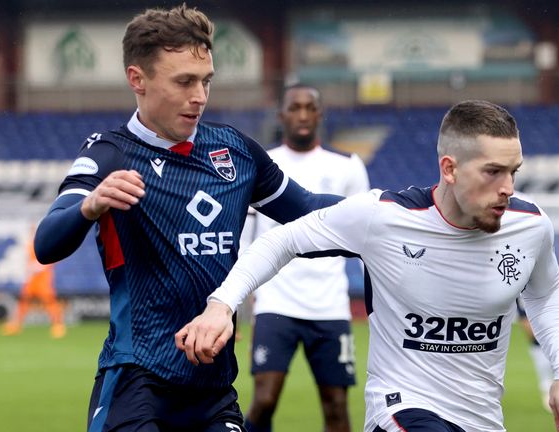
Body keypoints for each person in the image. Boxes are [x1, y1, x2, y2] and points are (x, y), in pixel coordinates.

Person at [177, 100, 559, 432]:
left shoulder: (531, 227)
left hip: (482, 417)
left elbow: (544, 294)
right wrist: (222, 304)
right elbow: (282, 239)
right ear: (448, 169)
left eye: (513, 172)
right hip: (401, 409)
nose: (507, 188)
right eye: (492, 172)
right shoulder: (383, 217)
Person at [33, 5, 340, 432]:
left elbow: (309, 211)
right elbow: (47, 244)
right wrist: (90, 206)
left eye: (206, 81)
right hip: (136, 382)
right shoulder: (107, 153)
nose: (200, 96)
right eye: (184, 81)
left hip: (213, 390)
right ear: (137, 79)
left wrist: (392, 204)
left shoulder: (235, 151)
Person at [242, 84, 369, 432]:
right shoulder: (262, 163)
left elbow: (365, 235)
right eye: (294, 108)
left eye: (308, 107)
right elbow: (246, 236)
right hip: (275, 302)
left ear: (319, 114)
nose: (301, 114)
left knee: (337, 407)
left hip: (329, 305)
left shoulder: (348, 166)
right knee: (264, 400)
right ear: (281, 115)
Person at [2, 228, 66, 338]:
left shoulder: (46, 245)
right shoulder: (30, 246)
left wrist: (36, 267)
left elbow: (50, 260)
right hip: (31, 281)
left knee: (50, 303)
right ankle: (16, 325)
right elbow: (28, 262)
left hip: (43, 281)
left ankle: (58, 325)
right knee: (23, 302)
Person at [517, 298, 554, 412]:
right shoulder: (520, 291)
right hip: (538, 341)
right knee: (543, 365)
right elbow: (523, 317)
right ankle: (548, 393)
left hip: (549, 330)